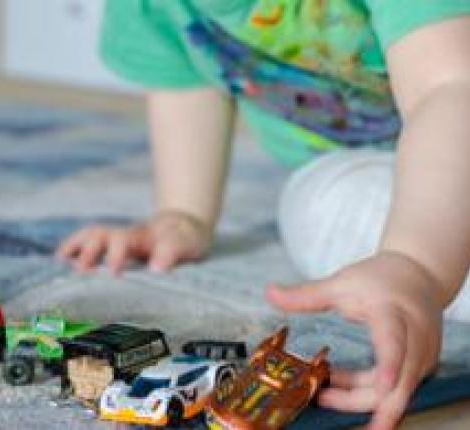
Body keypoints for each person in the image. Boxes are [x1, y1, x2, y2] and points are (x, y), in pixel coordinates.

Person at [57, 1, 470, 428]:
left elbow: (451, 89)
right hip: (370, 170)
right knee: (316, 204)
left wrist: (416, 263)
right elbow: (185, 64)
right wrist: (184, 213)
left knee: (395, 234)